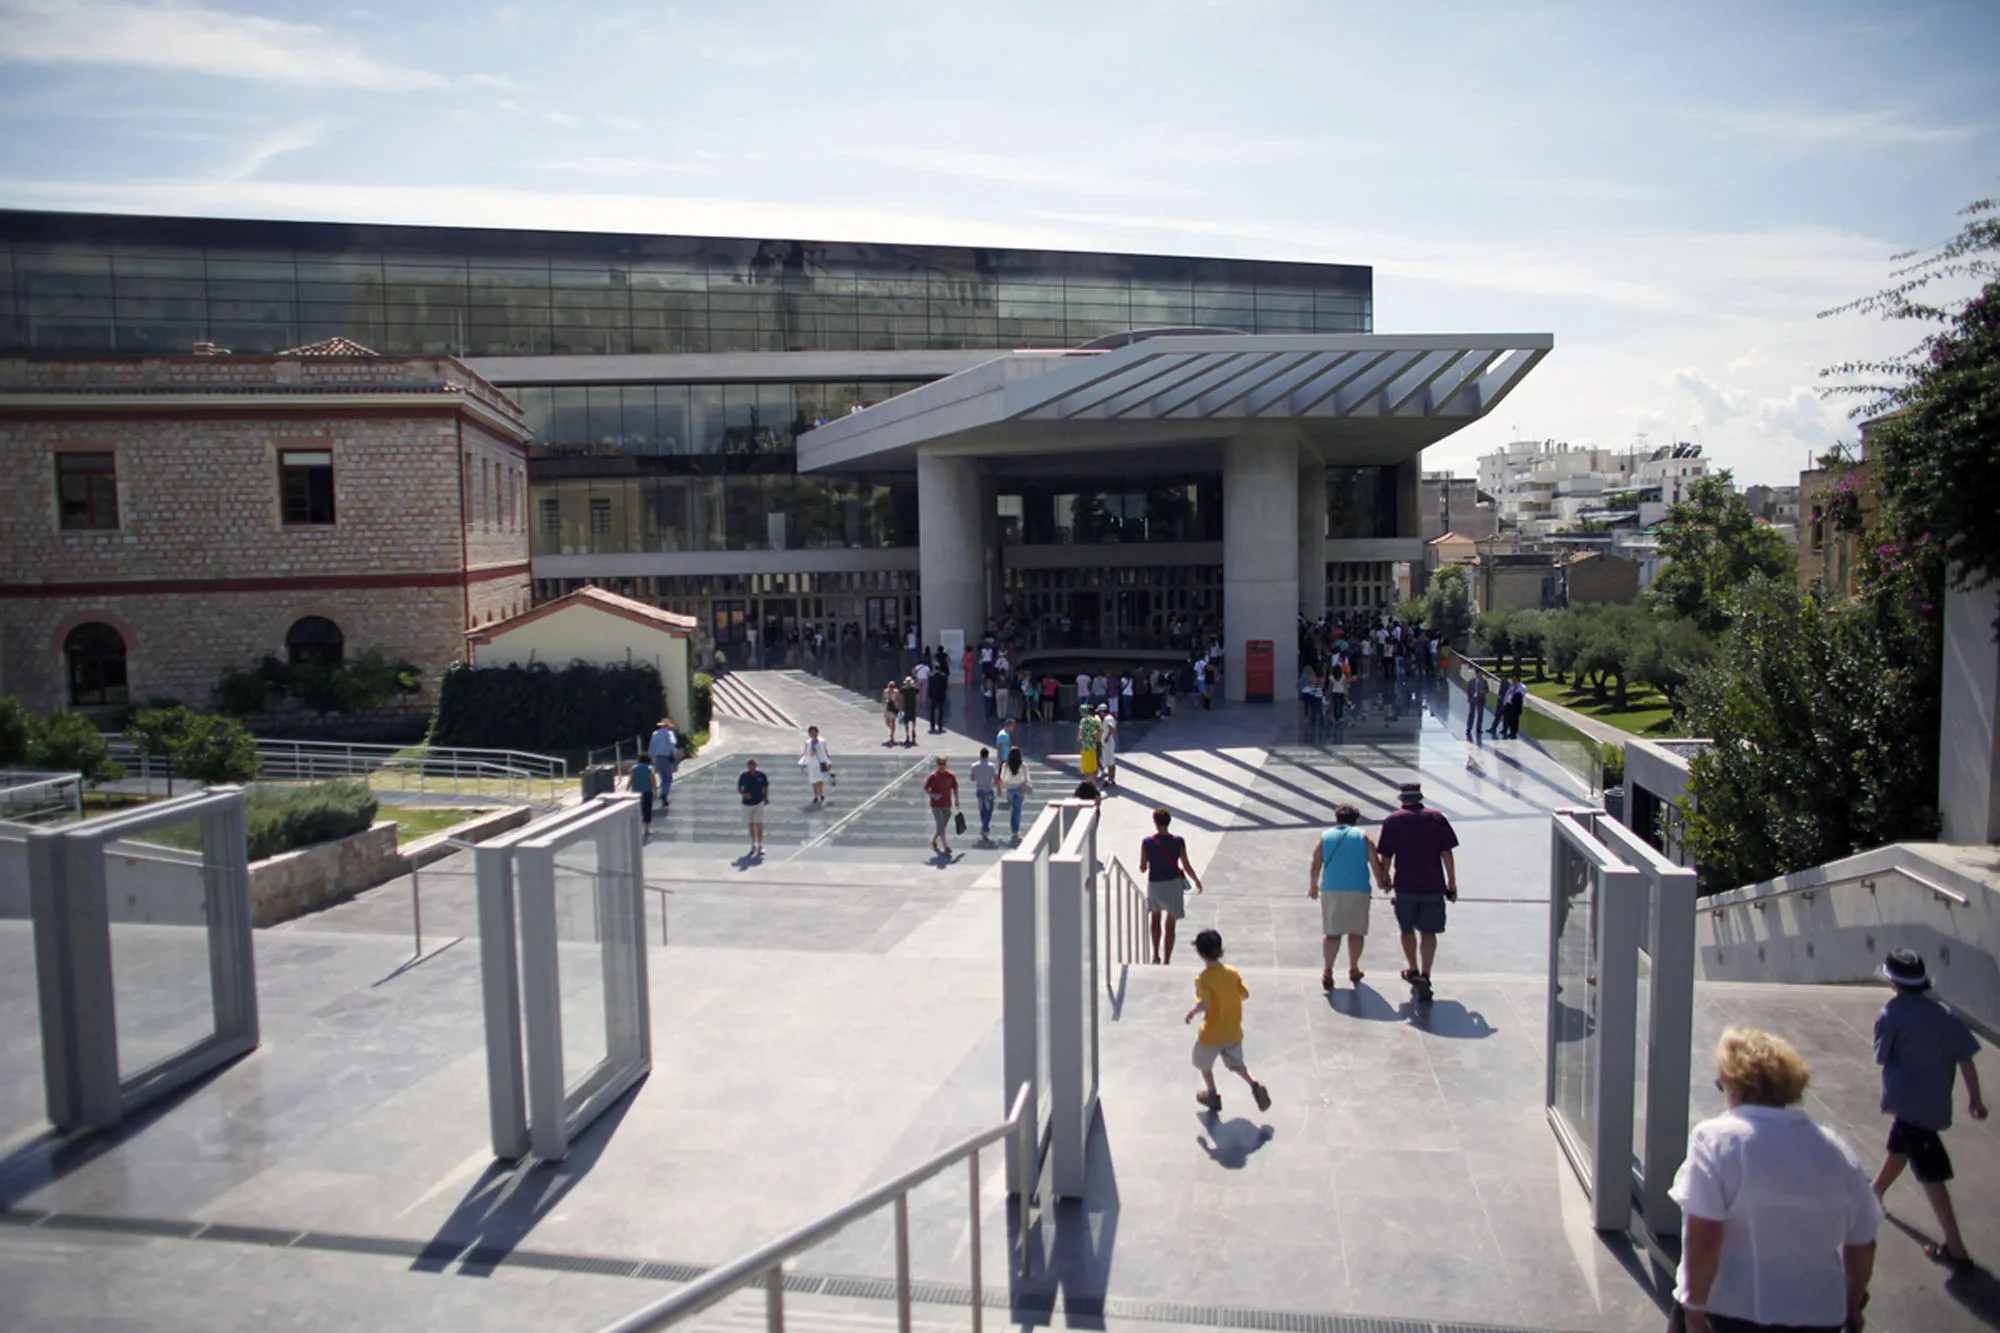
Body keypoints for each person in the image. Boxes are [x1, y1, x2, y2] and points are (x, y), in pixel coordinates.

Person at [1672, 1027, 1880, 1333]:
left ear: (1734, 1087)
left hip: (1729, 1312)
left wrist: (1693, 1310)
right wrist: (1852, 1305)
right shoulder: (1836, 1149)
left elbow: (1704, 1238)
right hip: (1817, 1316)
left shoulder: (1715, 1140)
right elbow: (1863, 1240)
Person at [1869, 947, 1987, 1269]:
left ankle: (1956, 1248)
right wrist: (1975, 1098)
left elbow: (1880, 1055)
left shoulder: (1892, 1012)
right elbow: (1966, 1056)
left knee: (1930, 1173)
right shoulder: (1943, 1014)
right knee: (1901, 1145)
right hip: (1933, 1103)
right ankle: (1874, 1193)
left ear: (1893, 983)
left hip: (1908, 1100)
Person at [1373, 782, 1458, 1000]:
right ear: (1420, 797)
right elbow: (1446, 853)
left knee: (1407, 928)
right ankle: (1426, 974)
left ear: (1401, 799)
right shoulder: (1436, 817)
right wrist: (1451, 883)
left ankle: (1412, 968)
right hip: (1433, 884)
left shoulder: (1393, 820)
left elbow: (1386, 855)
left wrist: (1385, 877)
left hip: (1406, 884)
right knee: (1428, 931)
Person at [1184, 929, 1271, 1115]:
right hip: (1233, 1031)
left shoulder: (1203, 979)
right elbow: (1244, 994)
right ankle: (1254, 1084)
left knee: (1202, 1063)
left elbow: (1205, 1003)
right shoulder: (1231, 973)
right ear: (1221, 950)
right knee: (1237, 1064)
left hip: (1212, 1034)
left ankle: (1212, 1094)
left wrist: (1193, 1011)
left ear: (1199, 953)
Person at [1308, 804, 1383, 990]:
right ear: (1356, 819)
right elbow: (1375, 862)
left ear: (1337, 818)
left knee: (1332, 934)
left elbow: (1316, 861)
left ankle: (1328, 970)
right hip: (1358, 889)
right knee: (1356, 932)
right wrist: (1382, 882)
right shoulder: (1363, 837)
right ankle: (1353, 968)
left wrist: (1313, 886)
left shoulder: (1325, 837)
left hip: (1331, 889)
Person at [1139, 807, 1204, 965]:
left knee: (1155, 917)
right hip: (1173, 884)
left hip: (1155, 883)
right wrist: (1196, 880)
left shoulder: (1147, 842)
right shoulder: (1178, 841)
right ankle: (1167, 959)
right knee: (1171, 923)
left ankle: (1155, 954)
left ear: (1155, 822)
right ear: (1169, 822)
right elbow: (1186, 864)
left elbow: (1143, 867)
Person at [923, 755, 961, 856]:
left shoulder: (950, 775)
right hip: (936, 805)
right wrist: (932, 795)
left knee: (942, 826)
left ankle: (934, 841)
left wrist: (957, 800)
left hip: (947, 804)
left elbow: (955, 788)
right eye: (939, 764)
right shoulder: (933, 776)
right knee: (940, 825)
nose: (941, 766)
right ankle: (946, 847)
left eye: (943, 764)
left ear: (946, 764)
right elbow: (926, 788)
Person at [737, 757, 769, 857]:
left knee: (759, 823)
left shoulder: (761, 775)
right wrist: (744, 794)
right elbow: (739, 788)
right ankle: (753, 845)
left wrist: (765, 797)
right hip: (747, 803)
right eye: (750, 765)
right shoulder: (743, 776)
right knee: (751, 824)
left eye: (753, 765)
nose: (752, 766)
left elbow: (765, 787)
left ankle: (760, 845)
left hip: (758, 802)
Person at [1001, 748, 1034, 839]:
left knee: (1013, 809)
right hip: (1019, 789)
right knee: (1017, 810)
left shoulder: (1006, 765)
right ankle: (1015, 830)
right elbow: (1027, 778)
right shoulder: (1023, 765)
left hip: (1010, 789)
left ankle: (1013, 829)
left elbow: (1003, 778)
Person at [798, 725, 834, 804]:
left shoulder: (822, 741)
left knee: (819, 779)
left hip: (820, 762)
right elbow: (805, 753)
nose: (813, 734)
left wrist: (828, 762)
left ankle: (821, 793)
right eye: (811, 733)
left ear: (817, 733)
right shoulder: (807, 743)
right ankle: (815, 796)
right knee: (813, 780)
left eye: (814, 732)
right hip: (811, 763)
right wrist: (803, 763)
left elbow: (825, 752)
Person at [970, 747, 999, 841]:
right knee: (989, 810)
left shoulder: (974, 766)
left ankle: (984, 827)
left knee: (982, 810)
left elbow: (972, 778)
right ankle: (985, 828)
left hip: (979, 789)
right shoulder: (991, 766)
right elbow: (995, 778)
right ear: (987, 755)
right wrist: (995, 784)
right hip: (988, 789)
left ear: (980, 755)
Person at [628, 754, 657, 842]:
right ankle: (647, 829)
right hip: (647, 792)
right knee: (647, 810)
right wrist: (655, 790)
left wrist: (627, 787)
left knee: (635, 811)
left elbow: (631, 779)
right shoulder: (649, 769)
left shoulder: (634, 768)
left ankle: (634, 829)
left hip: (636, 792)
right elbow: (652, 781)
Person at [1077, 705, 1102, 787]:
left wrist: (1080, 738)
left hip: (1086, 745)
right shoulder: (1092, 719)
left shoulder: (1083, 720)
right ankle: (1093, 781)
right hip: (1092, 744)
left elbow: (1081, 730)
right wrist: (1094, 734)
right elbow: (1100, 728)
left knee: (1086, 765)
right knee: (1092, 764)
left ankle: (1089, 781)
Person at [1097, 704, 1119, 786]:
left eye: (1100, 712)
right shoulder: (1108, 718)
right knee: (1109, 760)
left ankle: (1111, 779)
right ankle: (1110, 778)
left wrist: (1107, 737)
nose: (1099, 713)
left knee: (1110, 761)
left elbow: (1111, 728)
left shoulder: (1108, 718)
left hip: (1108, 742)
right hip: (1107, 742)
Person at [1465, 672, 1489, 741]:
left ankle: (1478, 729)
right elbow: (1468, 690)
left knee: (1480, 714)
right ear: (1476, 674)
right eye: (1479, 674)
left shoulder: (1484, 681)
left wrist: (1483, 691)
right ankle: (1469, 728)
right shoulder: (1472, 681)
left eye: (1481, 674)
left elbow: (1487, 690)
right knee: (1471, 714)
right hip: (1473, 699)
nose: (1480, 675)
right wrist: (1469, 698)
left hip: (1480, 699)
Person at [927, 664, 949, 733]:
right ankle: (940, 726)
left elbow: (929, 687)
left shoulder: (931, 677)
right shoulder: (944, 676)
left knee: (932, 711)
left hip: (933, 696)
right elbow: (945, 686)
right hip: (941, 696)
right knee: (941, 712)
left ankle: (932, 726)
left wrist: (929, 695)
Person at [900, 675, 919, 745]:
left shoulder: (903, 689)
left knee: (908, 722)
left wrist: (901, 707)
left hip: (908, 707)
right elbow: (917, 698)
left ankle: (909, 734)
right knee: (910, 721)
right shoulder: (915, 689)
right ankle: (911, 733)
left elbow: (901, 699)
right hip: (909, 707)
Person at [882, 680, 901, 744]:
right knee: (887, 722)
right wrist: (886, 700)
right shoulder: (885, 691)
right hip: (887, 707)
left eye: (892, 687)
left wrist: (895, 702)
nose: (891, 688)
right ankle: (892, 730)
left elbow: (899, 699)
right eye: (890, 687)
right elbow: (883, 699)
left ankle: (892, 735)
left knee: (893, 721)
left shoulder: (896, 692)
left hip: (894, 707)